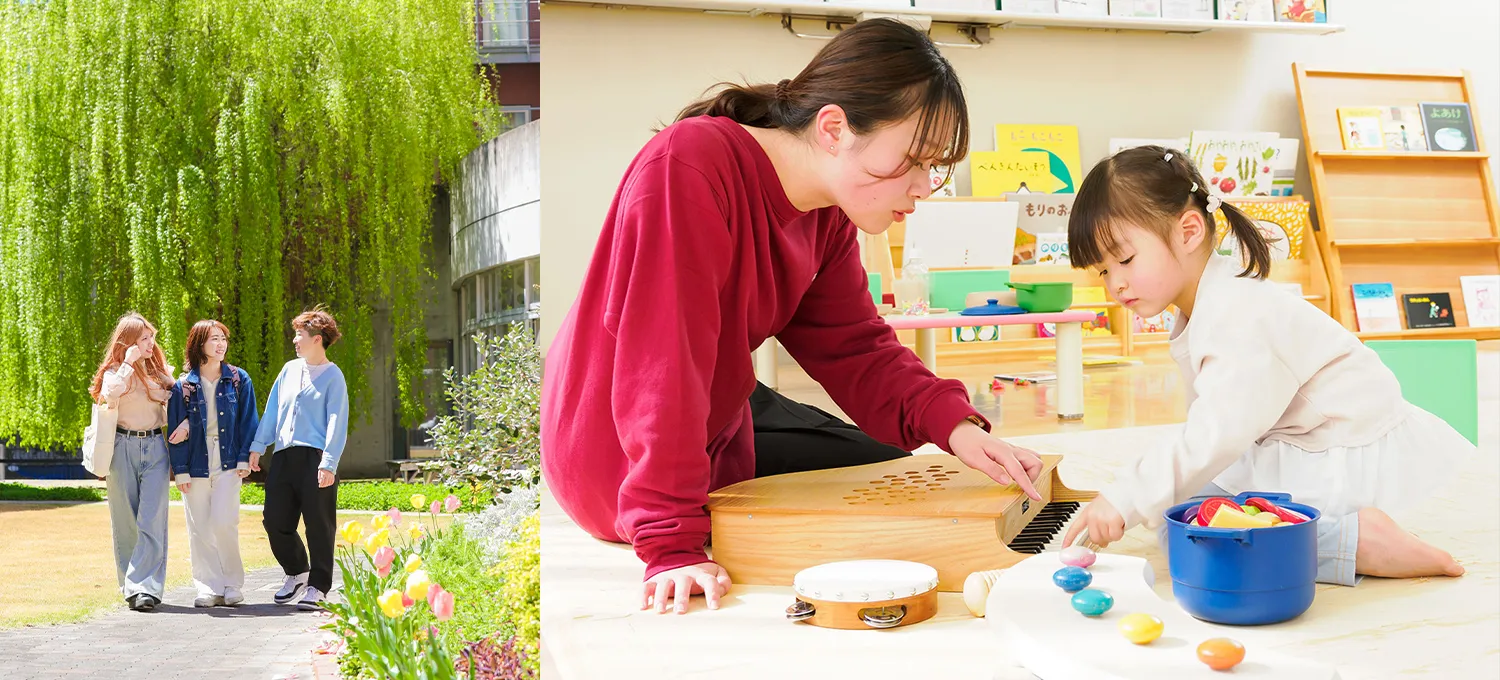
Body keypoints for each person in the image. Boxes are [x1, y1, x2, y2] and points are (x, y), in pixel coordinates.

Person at [540, 18, 1047, 617]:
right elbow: (662, 367)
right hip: (613, 451)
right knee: (862, 471)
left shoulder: (828, 214)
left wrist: (956, 426)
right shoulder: (690, 167)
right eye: (914, 161)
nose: (923, 188)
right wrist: (671, 543)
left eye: (934, 168)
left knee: (886, 463)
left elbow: (856, 348)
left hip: (716, 410)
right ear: (833, 128)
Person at [1059, 146, 1471, 585]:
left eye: (1123, 259)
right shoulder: (1209, 302)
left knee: (1190, 528)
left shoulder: (1236, 313)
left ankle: (1352, 542)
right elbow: (1211, 426)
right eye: (1102, 271)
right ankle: (1342, 538)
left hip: (1333, 449)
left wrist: (1124, 497)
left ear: (1189, 231)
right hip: (1296, 440)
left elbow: (1213, 436)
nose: (1115, 283)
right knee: (1175, 515)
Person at [248, 307, 349, 610]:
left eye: (299, 335)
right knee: (274, 519)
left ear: (317, 339)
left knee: (319, 524)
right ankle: (296, 572)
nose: (294, 340)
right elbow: (272, 412)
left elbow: (337, 420)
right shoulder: (289, 370)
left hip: (316, 458)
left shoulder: (333, 377)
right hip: (284, 455)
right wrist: (258, 445)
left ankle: (318, 586)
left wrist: (329, 462)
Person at [165, 320, 260, 607]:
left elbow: (248, 420)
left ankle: (232, 584)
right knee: (200, 527)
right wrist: (180, 470)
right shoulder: (183, 386)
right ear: (199, 345)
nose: (221, 344)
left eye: (223, 338)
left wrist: (245, 457)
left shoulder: (238, 379)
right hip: (195, 462)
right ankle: (208, 586)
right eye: (214, 339)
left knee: (224, 522)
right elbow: (174, 432)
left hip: (229, 460)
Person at [90, 313, 178, 612]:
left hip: (155, 447)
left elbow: (176, 399)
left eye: (152, 337)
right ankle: (131, 586)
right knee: (126, 522)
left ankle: (147, 589)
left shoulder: (159, 371)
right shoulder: (116, 371)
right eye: (144, 338)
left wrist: (169, 381)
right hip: (121, 447)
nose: (151, 343)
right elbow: (108, 395)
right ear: (129, 342)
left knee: (152, 519)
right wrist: (128, 364)